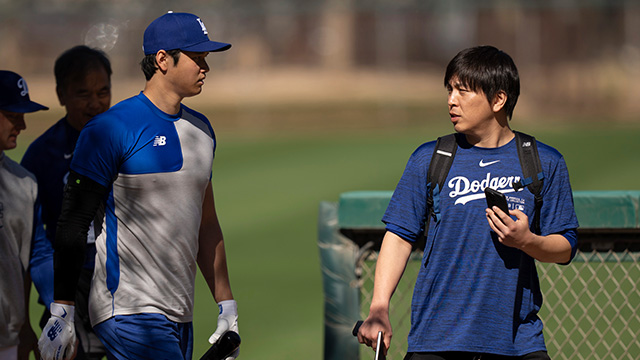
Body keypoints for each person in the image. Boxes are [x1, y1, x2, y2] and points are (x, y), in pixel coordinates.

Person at [37, 11, 239, 360]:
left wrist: (226, 303)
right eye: (197, 58)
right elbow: (73, 221)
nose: (205, 67)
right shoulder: (110, 129)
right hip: (127, 309)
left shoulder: (203, 131)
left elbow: (206, 223)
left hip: (179, 313)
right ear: (163, 60)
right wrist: (63, 309)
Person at [356, 46, 579, 360]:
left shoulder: (544, 162)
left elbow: (566, 246)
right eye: (449, 90)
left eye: (463, 91)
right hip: (436, 341)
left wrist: (528, 241)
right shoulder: (429, 159)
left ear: (498, 99)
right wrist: (379, 308)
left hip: (517, 343)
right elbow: (399, 236)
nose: (451, 100)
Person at [21, 45, 113, 360]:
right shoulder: (41, 154)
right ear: (61, 94)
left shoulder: (129, 142)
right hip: (68, 287)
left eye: (103, 92)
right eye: (82, 93)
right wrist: (56, 301)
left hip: (122, 283)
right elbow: (35, 240)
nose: (95, 103)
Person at [0, 70, 48, 360]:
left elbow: (34, 257)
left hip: (8, 338)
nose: (23, 123)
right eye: (12, 114)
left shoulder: (25, 182)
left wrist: (29, 324)